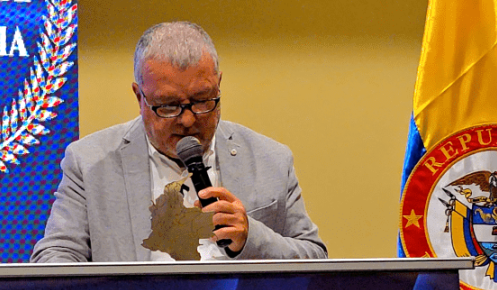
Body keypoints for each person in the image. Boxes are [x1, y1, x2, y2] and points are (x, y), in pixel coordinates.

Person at [30, 21, 326, 262]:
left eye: (201, 101)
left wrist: (252, 238)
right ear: (139, 96)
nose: (187, 120)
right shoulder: (89, 161)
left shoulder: (271, 159)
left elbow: (315, 257)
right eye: (169, 105)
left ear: (219, 86)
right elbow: (54, 255)